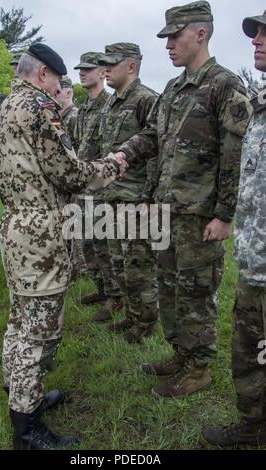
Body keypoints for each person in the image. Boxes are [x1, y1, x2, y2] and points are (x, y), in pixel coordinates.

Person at [0, 42, 126, 450]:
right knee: (39, 331)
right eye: (58, 80)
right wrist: (112, 164)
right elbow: (69, 173)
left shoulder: (4, 108)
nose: (59, 87)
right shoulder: (40, 109)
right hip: (41, 233)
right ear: (43, 73)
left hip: (15, 225)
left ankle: (20, 393)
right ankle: (27, 430)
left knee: (19, 320)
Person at [115, 1, 252, 394]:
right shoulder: (174, 89)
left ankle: (199, 367)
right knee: (170, 288)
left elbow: (235, 154)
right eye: (166, 37)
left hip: (199, 216)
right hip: (165, 212)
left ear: (200, 34)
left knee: (195, 293)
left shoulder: (225, 86)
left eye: (174, 36)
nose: (167, 45)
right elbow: (154, 139)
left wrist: (224, 214)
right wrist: (125, 154)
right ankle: (181, 354)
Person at [202, 11, 266, 448]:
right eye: (256, 32)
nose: (256, 40)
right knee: (249, 356)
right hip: (254, 263)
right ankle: (254, 427)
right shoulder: (261, 104)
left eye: (265, 32)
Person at [92, 42, 159, 342]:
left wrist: (150, 196)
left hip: (137, 199)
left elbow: (158, 149)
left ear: (131, 66)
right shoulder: (111, 103)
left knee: (139, 266)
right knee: (120, 262)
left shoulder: (146, 100)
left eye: (112, 63)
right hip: (113, 197)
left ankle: (145, 323)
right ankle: (132, 316)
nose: (105, 69)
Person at [73, 52, 119, 306]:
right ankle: (100, 287)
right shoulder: (84, 109)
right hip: (83, 186)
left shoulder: (108, 106)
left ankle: (115, 294)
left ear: (102, 72)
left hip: (102, 188)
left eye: (88, 68)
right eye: (80, 68)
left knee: (104, 244)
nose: (82, 72)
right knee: (87, 243)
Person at [56, 75, 78, 148]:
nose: (52, 94)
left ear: (68, 93)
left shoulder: (76, 116)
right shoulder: (55, 115)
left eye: (57, 92)